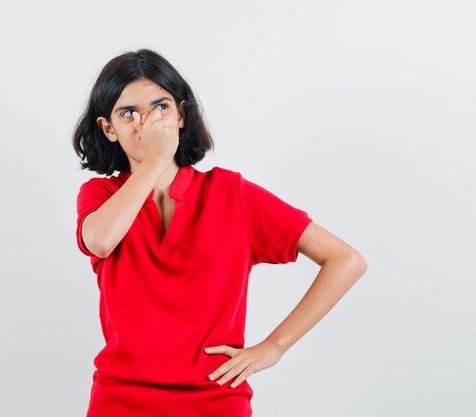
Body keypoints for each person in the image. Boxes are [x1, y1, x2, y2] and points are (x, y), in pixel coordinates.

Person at [72, 48, 368, 417]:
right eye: (129, 113)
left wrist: (274, 346)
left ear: (181, 115)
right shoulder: (101, 196)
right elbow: (100, 241)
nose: (146, 123)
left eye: (160, 107)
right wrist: (155, 161)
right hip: (121, 399)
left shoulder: (232, 195)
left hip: (217, 401)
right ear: (109, 129)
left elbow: (346, 260)